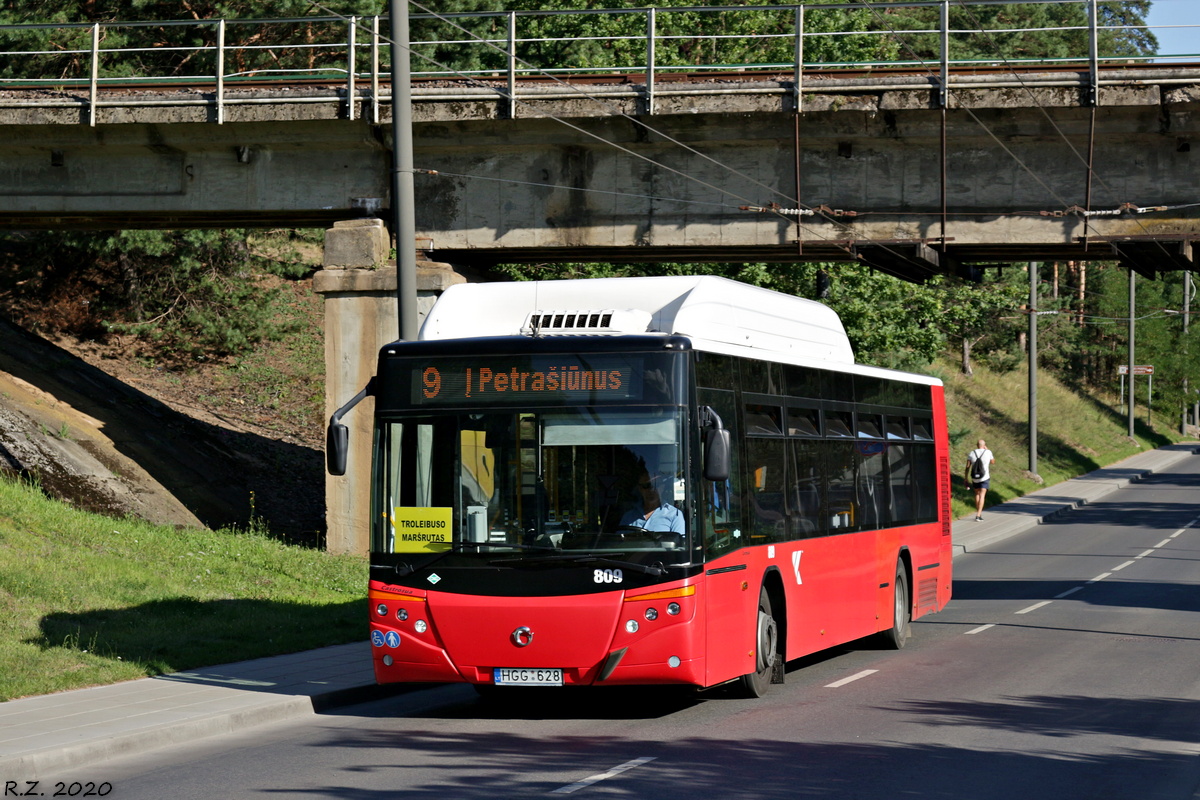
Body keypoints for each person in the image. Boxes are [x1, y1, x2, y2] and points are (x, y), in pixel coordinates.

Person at [620, 471, 686, 534]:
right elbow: (619, 543)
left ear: (662, 487)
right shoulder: (628, 517)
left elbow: (679, 543)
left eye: (656, 485)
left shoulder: (675, 515)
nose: (651, 490)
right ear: (640, 489)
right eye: (646, 486)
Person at [965, 439, 995, 522]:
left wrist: (966, 478)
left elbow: (967, 467)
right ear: (984, 445)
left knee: (977, 494)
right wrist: (987, 449)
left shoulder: (972, 453)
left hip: (975, 477)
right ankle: (978, 515)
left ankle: (979, 512)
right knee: (982, 495)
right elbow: (992, 462)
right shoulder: (988, 452)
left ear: (977, 445)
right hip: (984, 477)